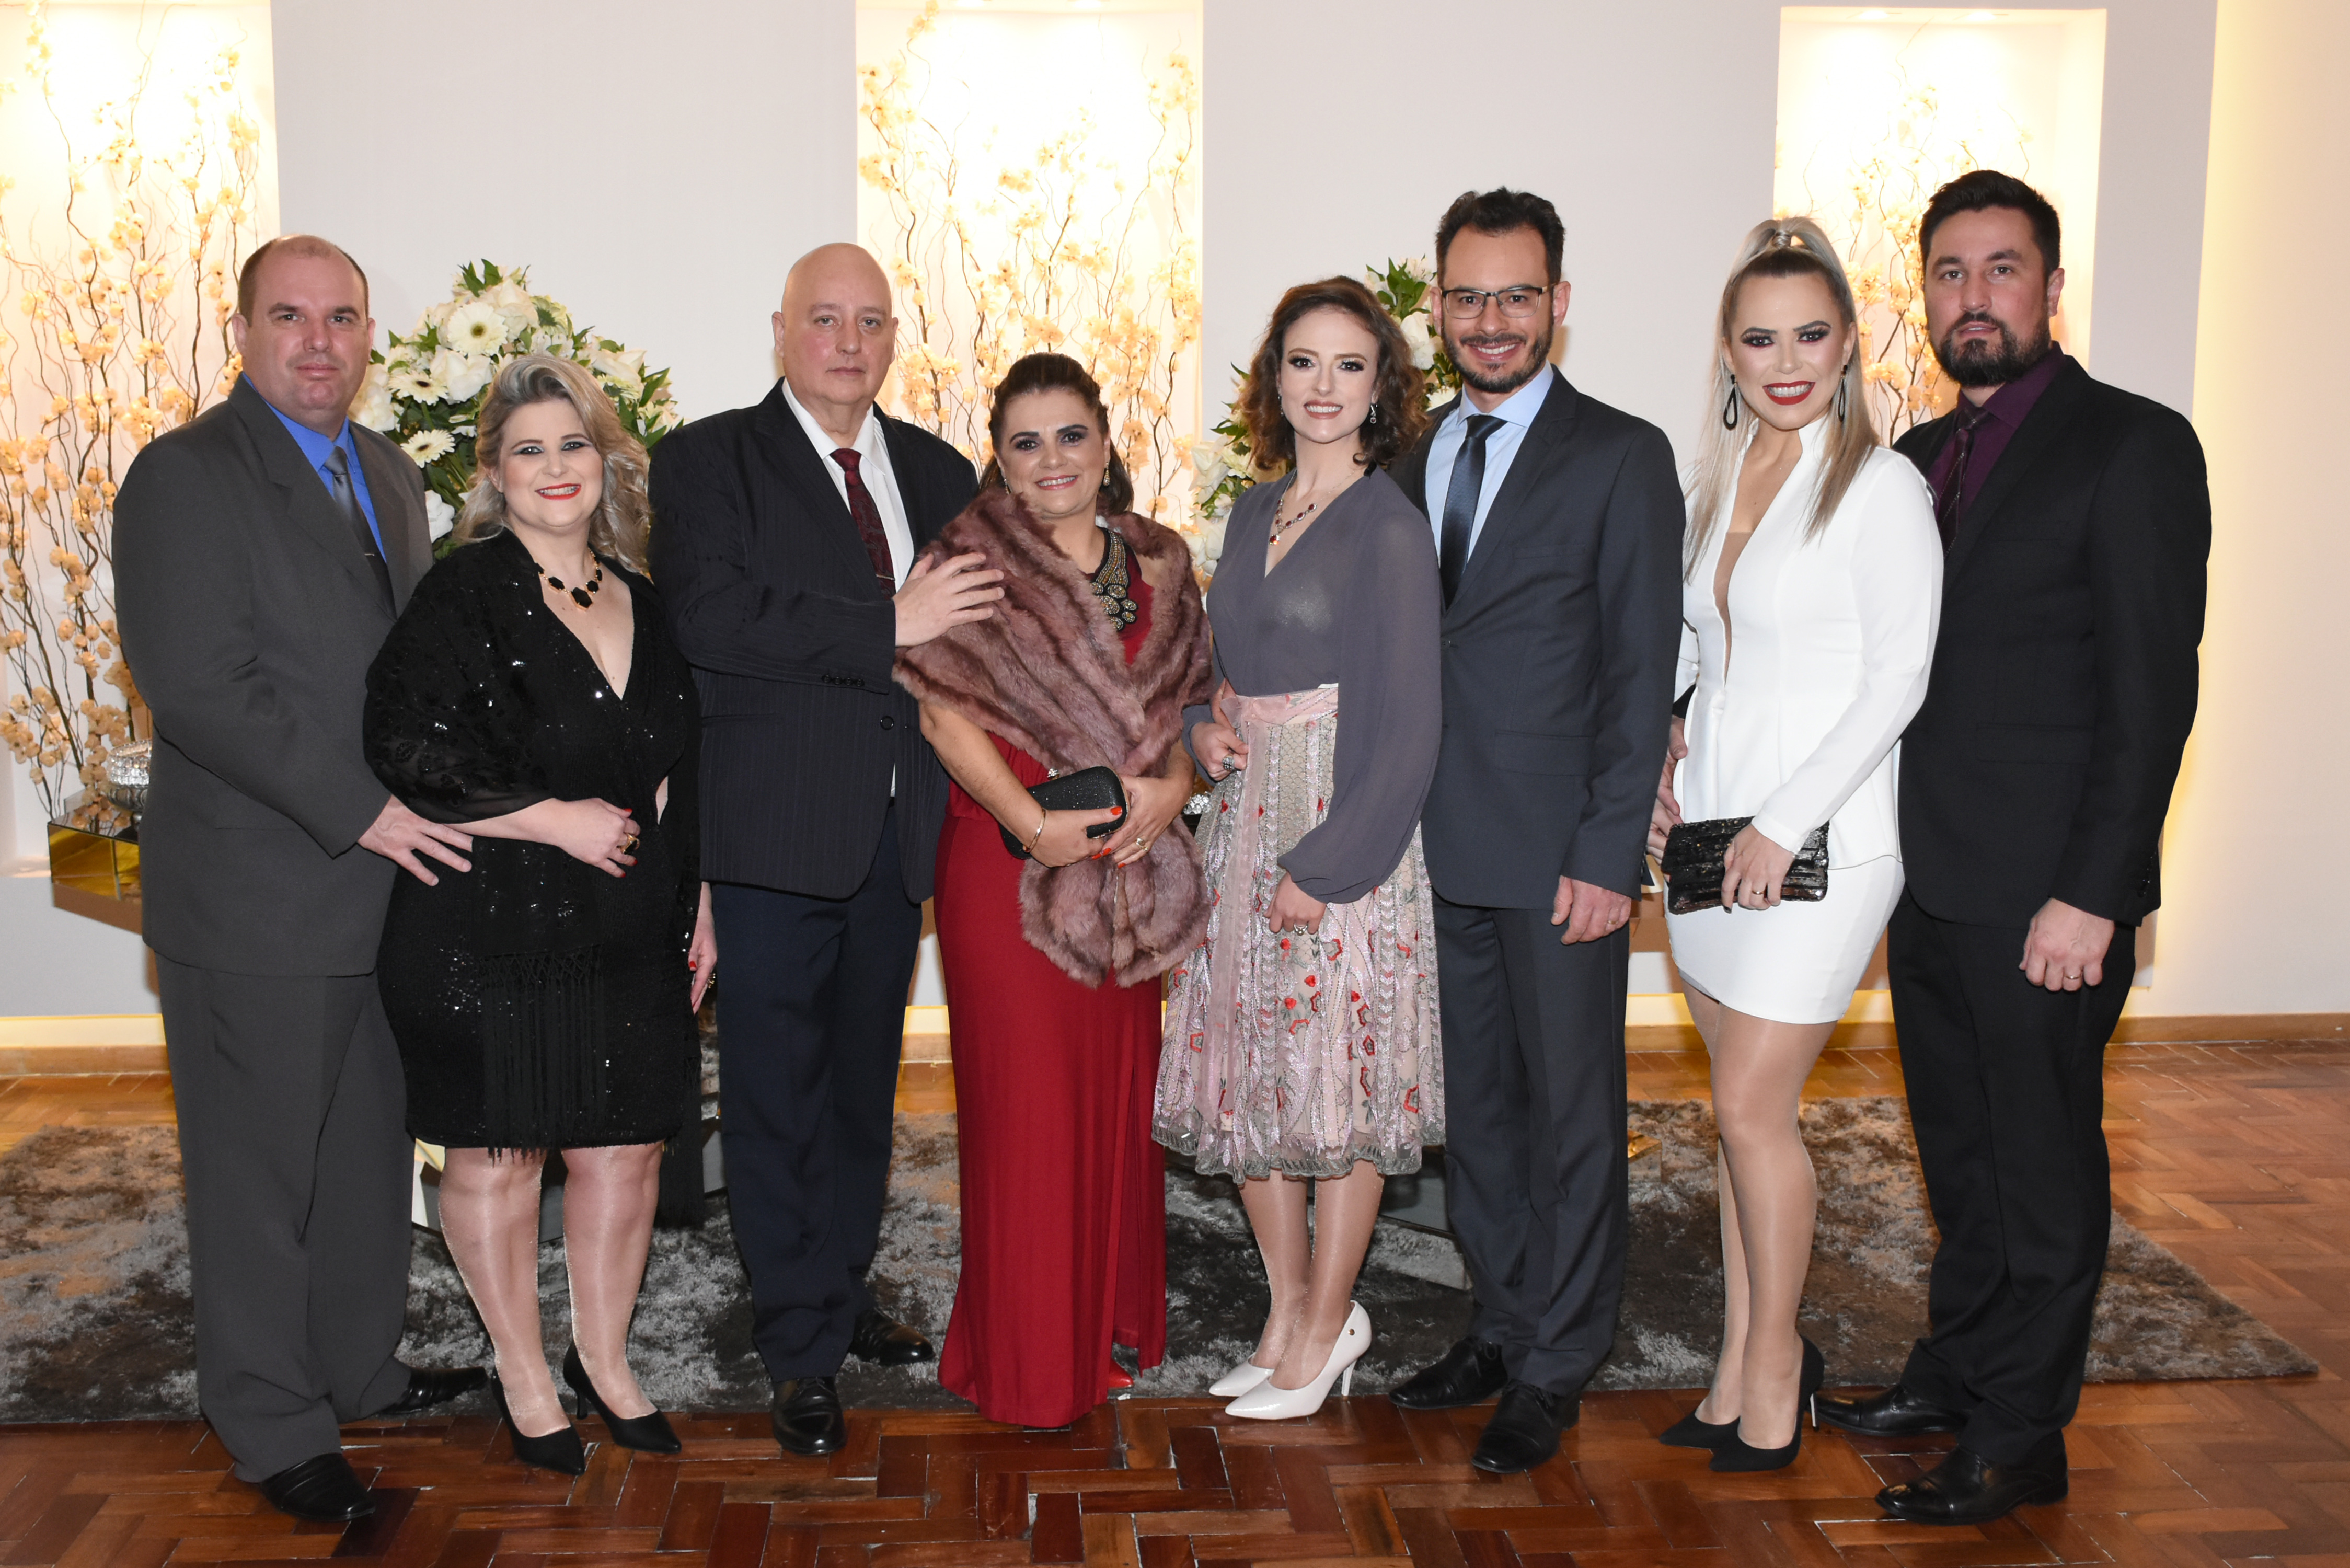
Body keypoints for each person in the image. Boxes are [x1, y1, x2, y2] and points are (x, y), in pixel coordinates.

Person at [1809, 170, 2209, 1524]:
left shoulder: (2133, 446)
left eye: (2001, 269)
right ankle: (1959, 1373)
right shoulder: (1914, 460)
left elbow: (2152, 697)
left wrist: (2093, 893)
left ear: (2050, 287)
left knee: (2041, 1169)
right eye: (1949, 272)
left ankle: (2022, 1438)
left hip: (2048, 897)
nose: (1972, 297)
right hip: (1927, 882)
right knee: (1960, 1156)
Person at [112, 235, 483, 1524]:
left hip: (385, 891)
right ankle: (272, 1425)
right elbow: (201, 688)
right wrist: (367, 812)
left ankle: (357, 1369)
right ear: (243, 331)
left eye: (341, 318)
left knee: (368, 1152)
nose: (318, 343)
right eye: (290, 316)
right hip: (261, 898)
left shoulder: (388, 471)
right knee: (257, 1179)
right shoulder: (184, 475)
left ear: (369, 336)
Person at [647, 244, 996, 1457]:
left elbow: (980, 640)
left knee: (859, 1091)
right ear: (781, 329)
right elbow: (711, 620)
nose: (849, 343)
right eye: (825, 320)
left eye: (870, 323)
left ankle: (839, 1293)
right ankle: (798, 1344)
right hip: (771, 833)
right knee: (773, 1095)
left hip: (899, 837)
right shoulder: (707, 461)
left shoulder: (940, 471)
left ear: (894, 338)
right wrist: (887, 622)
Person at [364, 354, 713, 1474]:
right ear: (494, 475)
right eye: (529, 450)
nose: (555, 467)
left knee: (626, 1149)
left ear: (603, 461)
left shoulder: (643, 597)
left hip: (630, 924)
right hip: (489, 924)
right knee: (499, 1156)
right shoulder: (462, 593)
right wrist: (554, 819)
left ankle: (604, 1362)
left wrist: (702, 897)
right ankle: (522, 1373)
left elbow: (678, 768)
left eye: (573, 445)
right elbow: (403, 744)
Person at [1383, 189, 1683, 1474]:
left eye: (1515, 295)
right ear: (1439, 310)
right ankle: (1501, 1324)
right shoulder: (1409, 460)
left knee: (1571, 1118)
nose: (1490, 320)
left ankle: (1558, 1362)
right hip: (1430, 849)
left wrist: (1609, 854)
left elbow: (1640, 669)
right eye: (1467, 297)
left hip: (1562, 855)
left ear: (1559, 302)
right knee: (1478, 1117)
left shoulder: (1622, 455)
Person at [1646, 219, 1942, 1471]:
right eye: (1760, 338)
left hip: (1824, 844)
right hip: (1710, 833)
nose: (1785, 362)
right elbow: (1706, 646)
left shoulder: (1879, 488)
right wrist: (1664, 753)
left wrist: (1783, 823)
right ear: (1727, 349)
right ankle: (1735, 1362)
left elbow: (1898, 680)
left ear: (1847, 344)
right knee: (1738, 1118)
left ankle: (1777, 1365)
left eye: (1809, 336)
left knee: (1750, 1108)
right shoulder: (1719, 478)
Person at [894, 353, 1211, 1428]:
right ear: (998, 456)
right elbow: (941, 713)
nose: (1051, 461)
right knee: (1026, 1115)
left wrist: (1172, 789)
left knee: (1118, 1096)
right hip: (1007, 868)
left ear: (1106, 441)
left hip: (1128, 869)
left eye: (1070, 435)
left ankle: (1111, 1322)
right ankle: (1031, 1364)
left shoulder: (1161, 559)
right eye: (1024, 443)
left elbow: (1192, 710)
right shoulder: (967, 561)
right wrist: (1031, 825)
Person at [1156, 279, 1444, 1420]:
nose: (1324, 386)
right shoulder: (1249, 512)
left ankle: (1330, 1323)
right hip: (1241, 826)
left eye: (1349, 365)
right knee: (1250, 1075)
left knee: (1338, 1077)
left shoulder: (1390, 526)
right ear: (1274, 379)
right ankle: (1284, 1314)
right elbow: (1214, 667)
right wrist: (1200, 725)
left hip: (1341, 830)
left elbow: (1412, 725)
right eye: (1303, 362)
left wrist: (1327, 869)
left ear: (1381, 388)